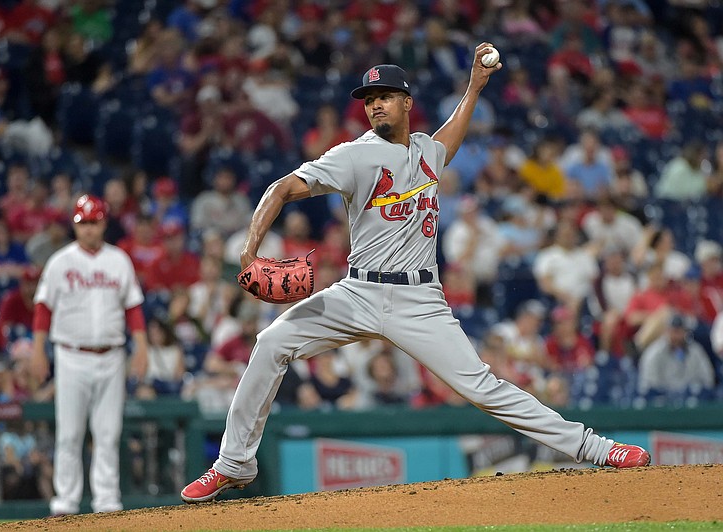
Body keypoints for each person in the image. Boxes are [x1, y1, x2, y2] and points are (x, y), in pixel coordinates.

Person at [181, 50, 650, 504]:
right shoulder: (353, 156)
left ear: (407, 103)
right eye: (368, 99)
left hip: (420, 300)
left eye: (384, 95)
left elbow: (452, 136)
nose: (375, 104)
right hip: (358, 290)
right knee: (271, 343)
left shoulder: (427, 149)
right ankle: (235, 462)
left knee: (484, 388)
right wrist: (248, 251)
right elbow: (282, 187)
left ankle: (595, 449)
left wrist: (474, 86)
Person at [30, 194, 148, 515]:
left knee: (108, 433)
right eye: (83, 224)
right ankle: (65, 502)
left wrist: (142, 347)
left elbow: (133, 307)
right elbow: (43, 308)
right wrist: (38, 349)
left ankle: (107, 502)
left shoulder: (118, 260)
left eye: (94, 223)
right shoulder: (60, 261)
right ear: (74, 224)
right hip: (70, 355)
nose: (88, 230)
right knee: (69, 433)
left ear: (104, 224)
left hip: (112, 356)